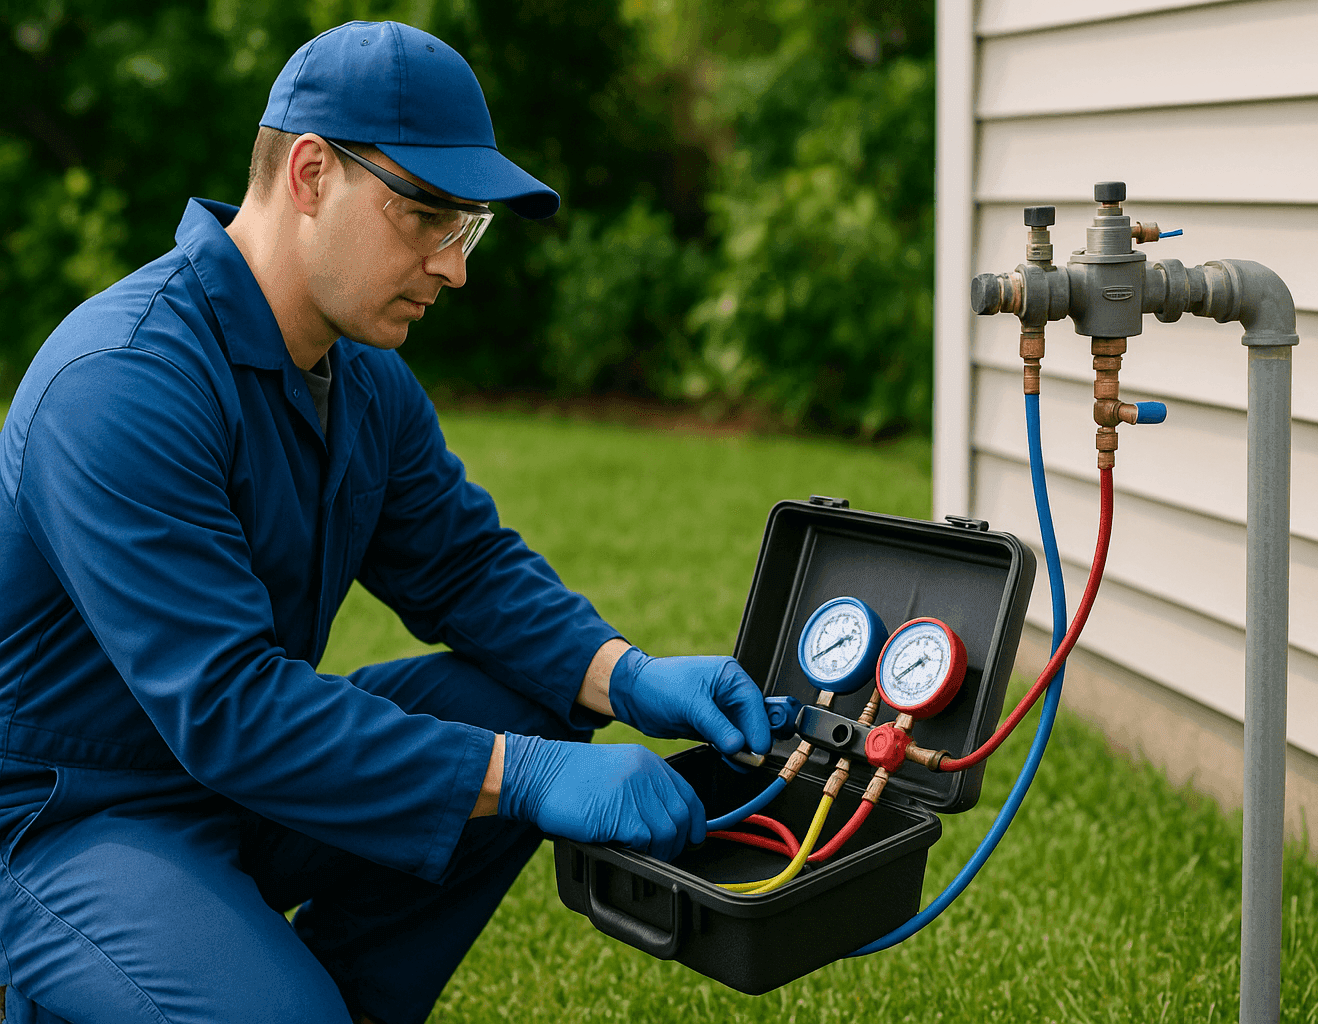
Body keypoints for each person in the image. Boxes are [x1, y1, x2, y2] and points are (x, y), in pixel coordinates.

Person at [0, 20, 770, 1024]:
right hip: (67, 819)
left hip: (233, 783)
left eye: (469, 229)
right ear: (311, 174)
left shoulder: (363, 379)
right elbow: (231, 706)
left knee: (532, 698)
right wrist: (529, 778)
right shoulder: (123, 383)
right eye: (428, 218)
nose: (453, 268)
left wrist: (627, 676)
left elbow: (463, 567)